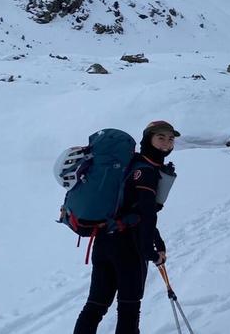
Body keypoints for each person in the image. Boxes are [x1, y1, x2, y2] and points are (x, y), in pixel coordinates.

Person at [73, 121, 180, 334]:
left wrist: (156, 240)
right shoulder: (146, 171)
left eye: (170, 139)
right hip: (128, 247)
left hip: (104, 239)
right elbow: (147, 214)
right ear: (148, 139)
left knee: (96, 304)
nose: (167, 143)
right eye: (161, 138)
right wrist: (150, 250)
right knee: (129, 308)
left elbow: (137, 211)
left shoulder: (130, 164)